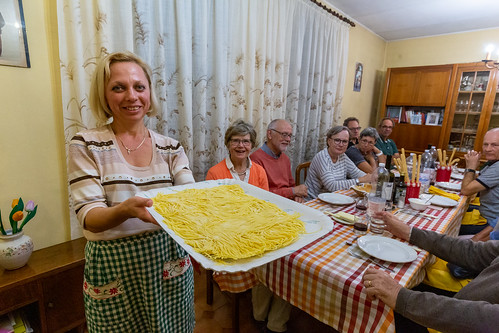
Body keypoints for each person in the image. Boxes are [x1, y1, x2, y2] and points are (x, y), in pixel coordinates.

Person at [68, 52, 195, 332]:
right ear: (104, 95)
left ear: (149, 93)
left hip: (168, 257)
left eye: (139, 87)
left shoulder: (171, 148)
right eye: (118, 87)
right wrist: (125, 210)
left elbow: (189, 195)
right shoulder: (86, 144)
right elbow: (89, 217)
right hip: (114, 265)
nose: (131, 96)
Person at [362, 211, 499, 332]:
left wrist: (401, 296)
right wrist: (409, 232)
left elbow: (487, 319)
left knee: (381, 308)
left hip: (462, 322)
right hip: (462, 304)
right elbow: (473, 252)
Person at [305, 125, 372, 199]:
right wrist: (359, 180)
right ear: (329, 141)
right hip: (314, 200)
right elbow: (332, 186)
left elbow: (356, 173)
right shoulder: (322, 157)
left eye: (344, 141)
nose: (341, 144)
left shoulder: (342, 156)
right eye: (337, 140)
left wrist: (370, 178)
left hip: (334, 198)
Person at [251, 119, 307, 203]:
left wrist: (296, 196)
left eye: (290, 135)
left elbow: (291, 186)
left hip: (288, 203)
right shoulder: (255, 159)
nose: (288, 139)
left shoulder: (285, 158)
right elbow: (260, 194)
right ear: (270, 134)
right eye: (284, 134)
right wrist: (292, 191)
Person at [460, 127, 499, 241]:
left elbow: (466, 190)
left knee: (445, 225)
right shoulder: (492, 163)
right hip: (484, 213)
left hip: (490, 223)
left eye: (494, 145)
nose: (488, 149)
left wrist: (471, 167)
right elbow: (473, 184)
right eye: (485, 144)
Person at [206, 119, 269, 190]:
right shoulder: (214, 173)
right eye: (235, 141)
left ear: (252, 145)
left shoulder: (260, 172)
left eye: (245, 141)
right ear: (228, 144)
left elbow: (265, 200)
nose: (241, 145)